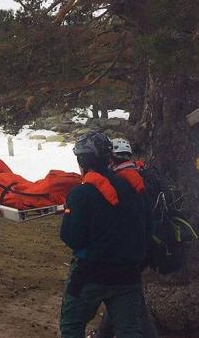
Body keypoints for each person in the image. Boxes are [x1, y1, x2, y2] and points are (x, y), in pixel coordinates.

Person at [60, 131, 149, 338]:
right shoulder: (135, 188)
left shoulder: (80, 194)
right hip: (128, 274)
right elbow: (147, 228)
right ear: (109, 157)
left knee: (72, 326)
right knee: (130, 331)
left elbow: (72, 237)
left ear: (82, 160)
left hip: (90, 273)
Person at [90, 138, 158, 338]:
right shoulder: (141, 173)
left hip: (129, 251)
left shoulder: (124, 180)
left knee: (126, 296)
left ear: (111, 158)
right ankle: (103, 333)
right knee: (129, 296)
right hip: (144, 248)